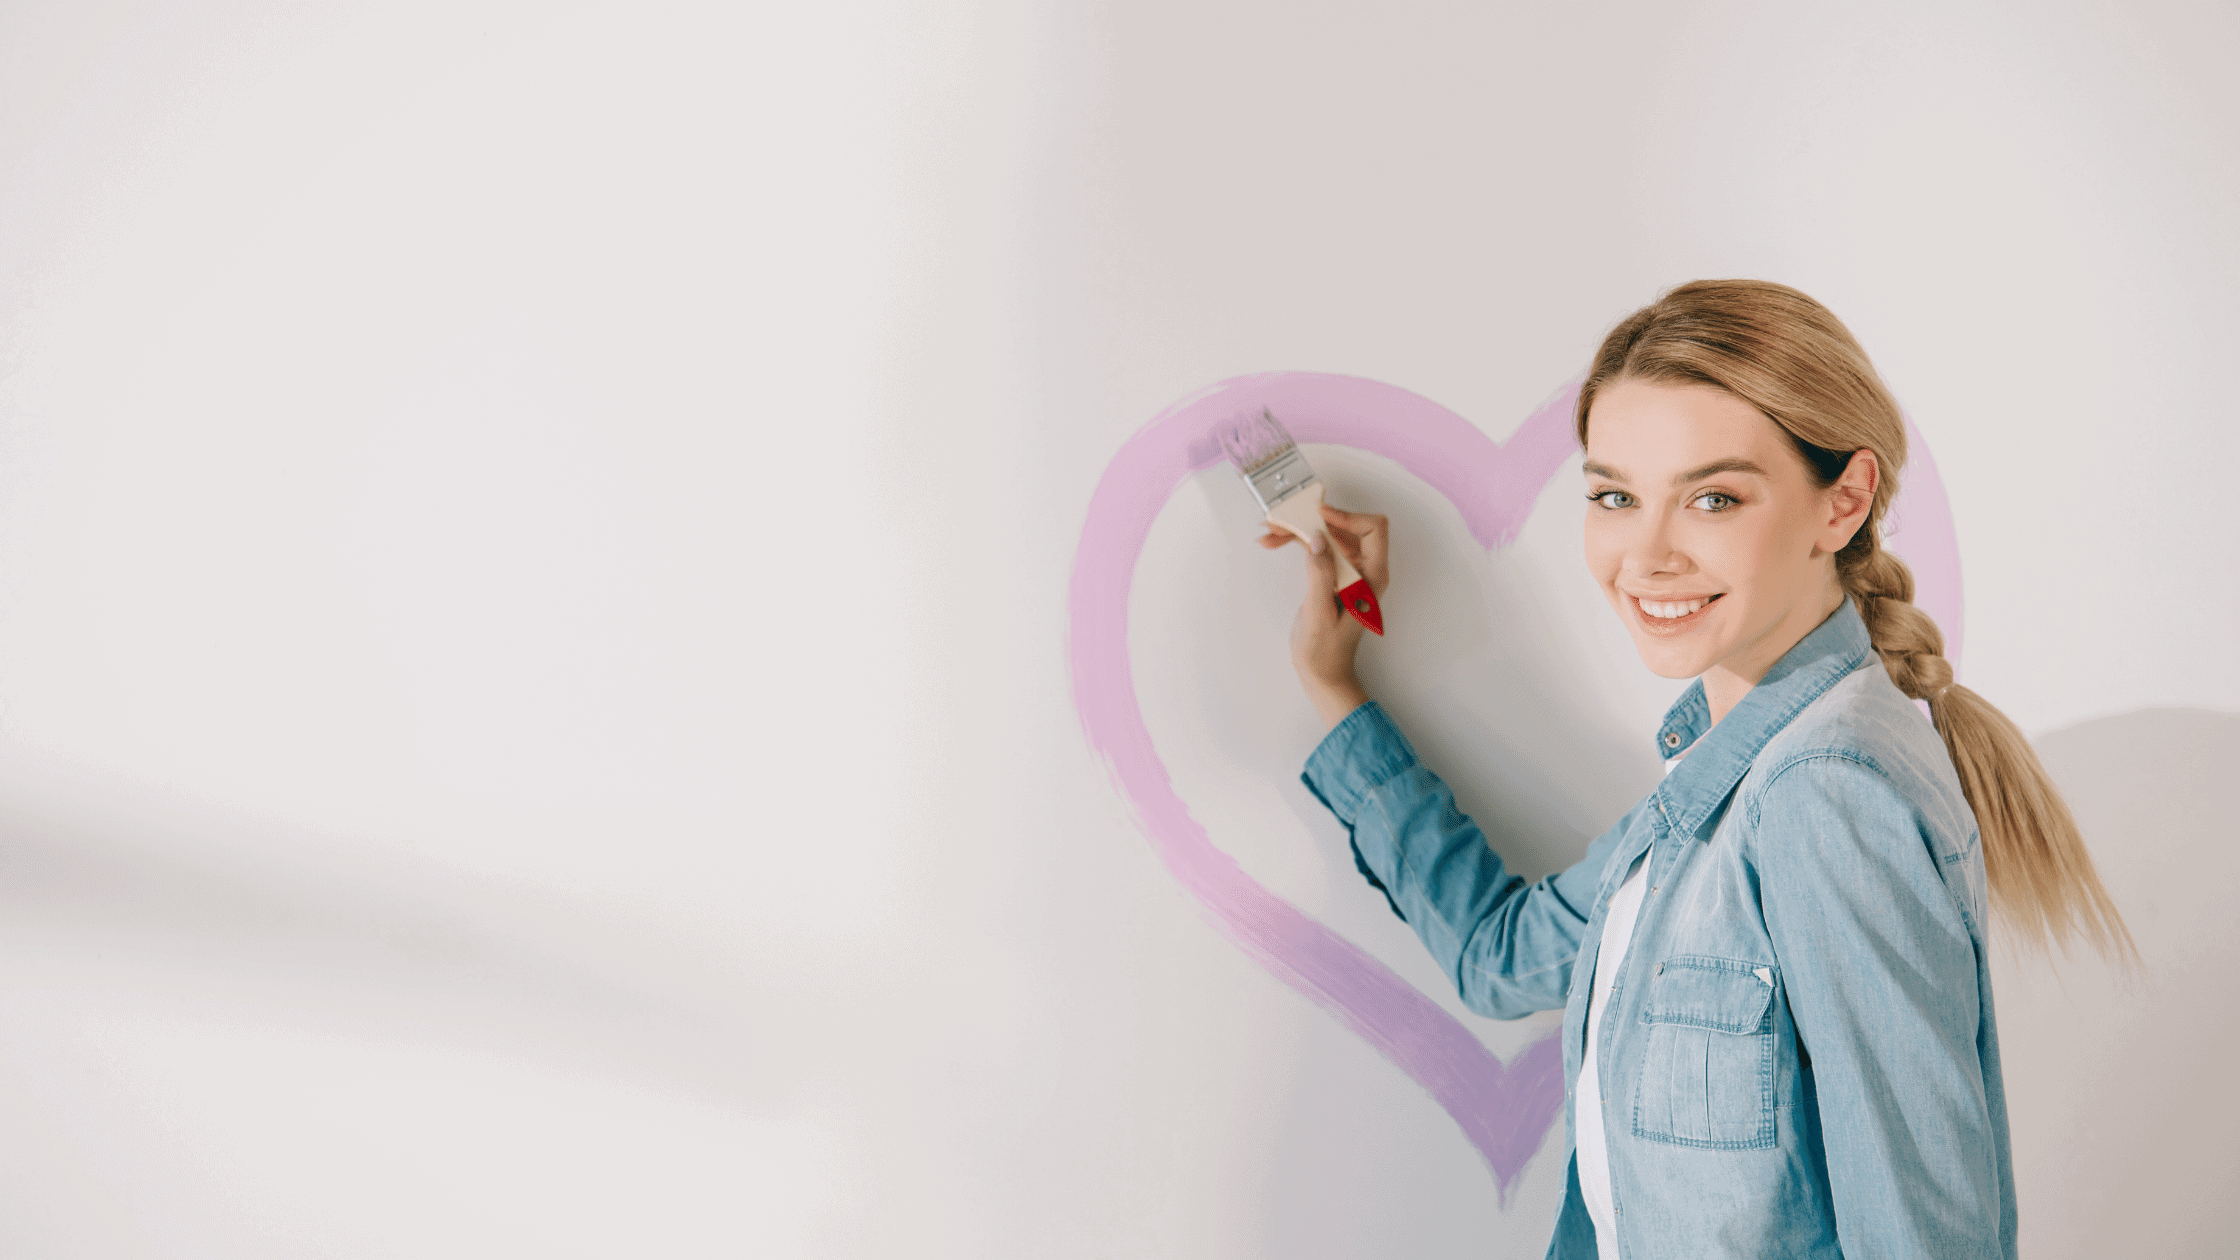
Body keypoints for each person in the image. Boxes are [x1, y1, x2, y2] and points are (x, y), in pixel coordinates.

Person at [1260, 279, 2133, 1260]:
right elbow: (1499, 959)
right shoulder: (1716, 785)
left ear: (1840, 502)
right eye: (1613, 496)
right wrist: (1336, 689)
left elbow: (1922, 1236)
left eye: (1711, 497)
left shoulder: (1822, 790)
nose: (1646, 553)